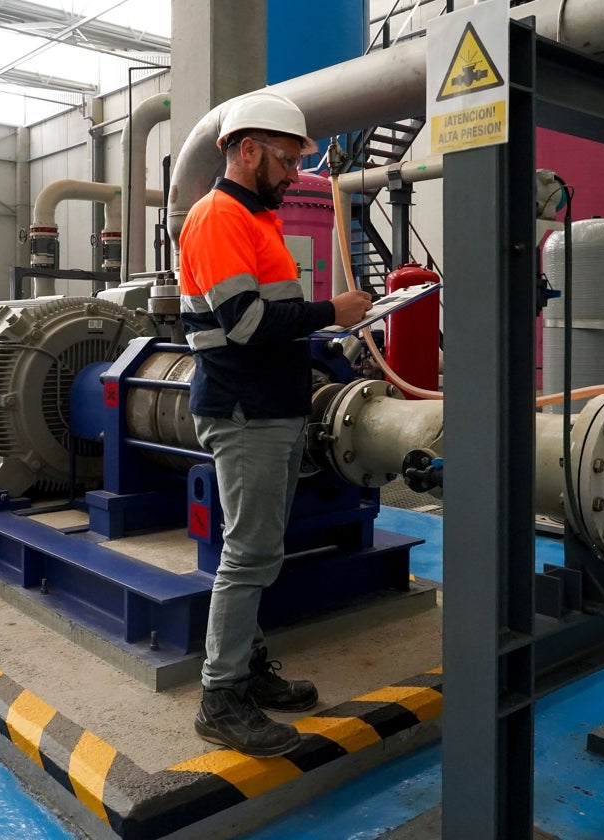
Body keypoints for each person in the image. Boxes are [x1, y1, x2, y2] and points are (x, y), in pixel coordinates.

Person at [178, 91, 373, 758]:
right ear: (249, 151)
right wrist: (333, 313)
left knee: (260, 550)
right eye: (287, 161)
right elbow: (248, 324)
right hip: (244, 410)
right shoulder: (217, 218)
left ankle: (246, 668)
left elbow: (274, 320)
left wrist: (330, 322)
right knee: (248, 554)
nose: (295, 175)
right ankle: (220, 697)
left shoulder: (257, 221)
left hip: (271, 406)